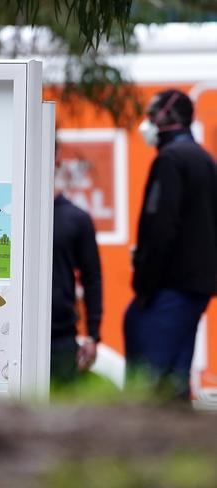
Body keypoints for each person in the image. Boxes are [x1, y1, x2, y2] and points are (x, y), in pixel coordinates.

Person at [124, 89, 217, 400]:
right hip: (196, 287)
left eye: (151, 116)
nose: (146, 123)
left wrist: (144, 282)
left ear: (167, 118)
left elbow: (160, 226)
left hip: (170, 286)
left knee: (149, 377)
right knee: (176, 375)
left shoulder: (171, 160)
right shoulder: (203, 159)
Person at [51, 141, 103, 386]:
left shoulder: (77, 219)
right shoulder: (7, 213)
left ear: (56, 163)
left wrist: (93, 335)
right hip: (9, 332)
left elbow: (92, 278)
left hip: (60, 337)